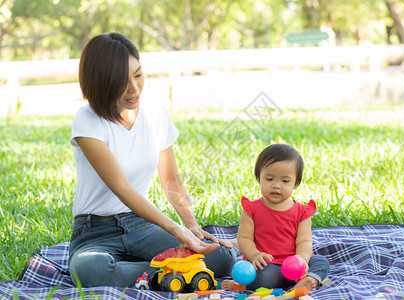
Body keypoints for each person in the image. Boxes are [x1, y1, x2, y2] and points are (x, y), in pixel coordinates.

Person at [68, 32, 239, 287]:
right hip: (94, 232)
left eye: (138, 75)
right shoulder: (87, 121)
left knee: (222, 260)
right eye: (120, 82)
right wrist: (174, 229)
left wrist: (191, 225)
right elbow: (122, 188)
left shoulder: (155, 112)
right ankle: (173, 272)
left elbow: (170, 179)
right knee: (89, 270)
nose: (134, 88)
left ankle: (161, 273)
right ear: (100, 82)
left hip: (142, 226)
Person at [222, 144, 329, 291]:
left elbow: (304, 241)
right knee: (260, 276)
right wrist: (254, 255)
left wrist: (302, 260)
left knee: (321, 261)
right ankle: (245, 284)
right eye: (270, 179)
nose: (276, 186)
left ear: (295, 183)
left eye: (285, 181)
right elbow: (244, 239)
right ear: (259, 179)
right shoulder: (251, 210)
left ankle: (309, 279)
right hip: (266, 265)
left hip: (293, 265)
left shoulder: (302, 213)